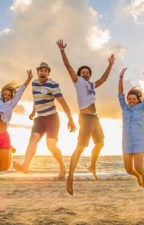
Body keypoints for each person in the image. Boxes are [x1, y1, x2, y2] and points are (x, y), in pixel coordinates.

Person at [56, 39, 115, 195]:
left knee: (100, 143)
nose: (85, 73)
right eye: (83, 72)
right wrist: (62, 51)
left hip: (95, 118)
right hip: (86, 118)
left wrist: (110, 65)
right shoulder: (78, 82)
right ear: (79, 75)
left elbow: (103, 79)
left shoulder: (91, 85)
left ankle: (92, 165)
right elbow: (68, 67)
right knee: (81, 147)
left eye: (87, 72)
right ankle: (70, 177)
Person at [13, 62, 76, 179]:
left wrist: (70, 119)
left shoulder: (53, 85)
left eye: (45, 71)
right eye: (41, 70)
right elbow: (36, 99)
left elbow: (63, 103)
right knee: (33, 139)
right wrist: (33, 111)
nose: (43, 72)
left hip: (52, 119)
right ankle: (26, 165)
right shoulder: (34, 83)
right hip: (40, 119)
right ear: (38, 73)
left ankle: (62, 166)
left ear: (48, 73)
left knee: (50, 145)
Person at [0, 60, 32, 171]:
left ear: (11, 96)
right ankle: (0, 156)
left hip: (3, 138)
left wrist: (28, 79)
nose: (7, 96)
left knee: (4, 168)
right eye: (5, 94)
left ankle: (8, 149)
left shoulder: (11, 104)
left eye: (9, 95)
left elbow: (20, 93)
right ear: (1, 94)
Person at [118, 68, 144, 187]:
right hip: (126, 142)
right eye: (129, 99)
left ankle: (142, 174)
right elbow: (120, 93)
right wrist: (121, 78)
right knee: (128, 170)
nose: (131, 101)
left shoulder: (141, 107)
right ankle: (137, 175)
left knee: (138, 167)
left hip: (139, 141)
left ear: (138, 100)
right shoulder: (124, 108)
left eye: (134, 99)